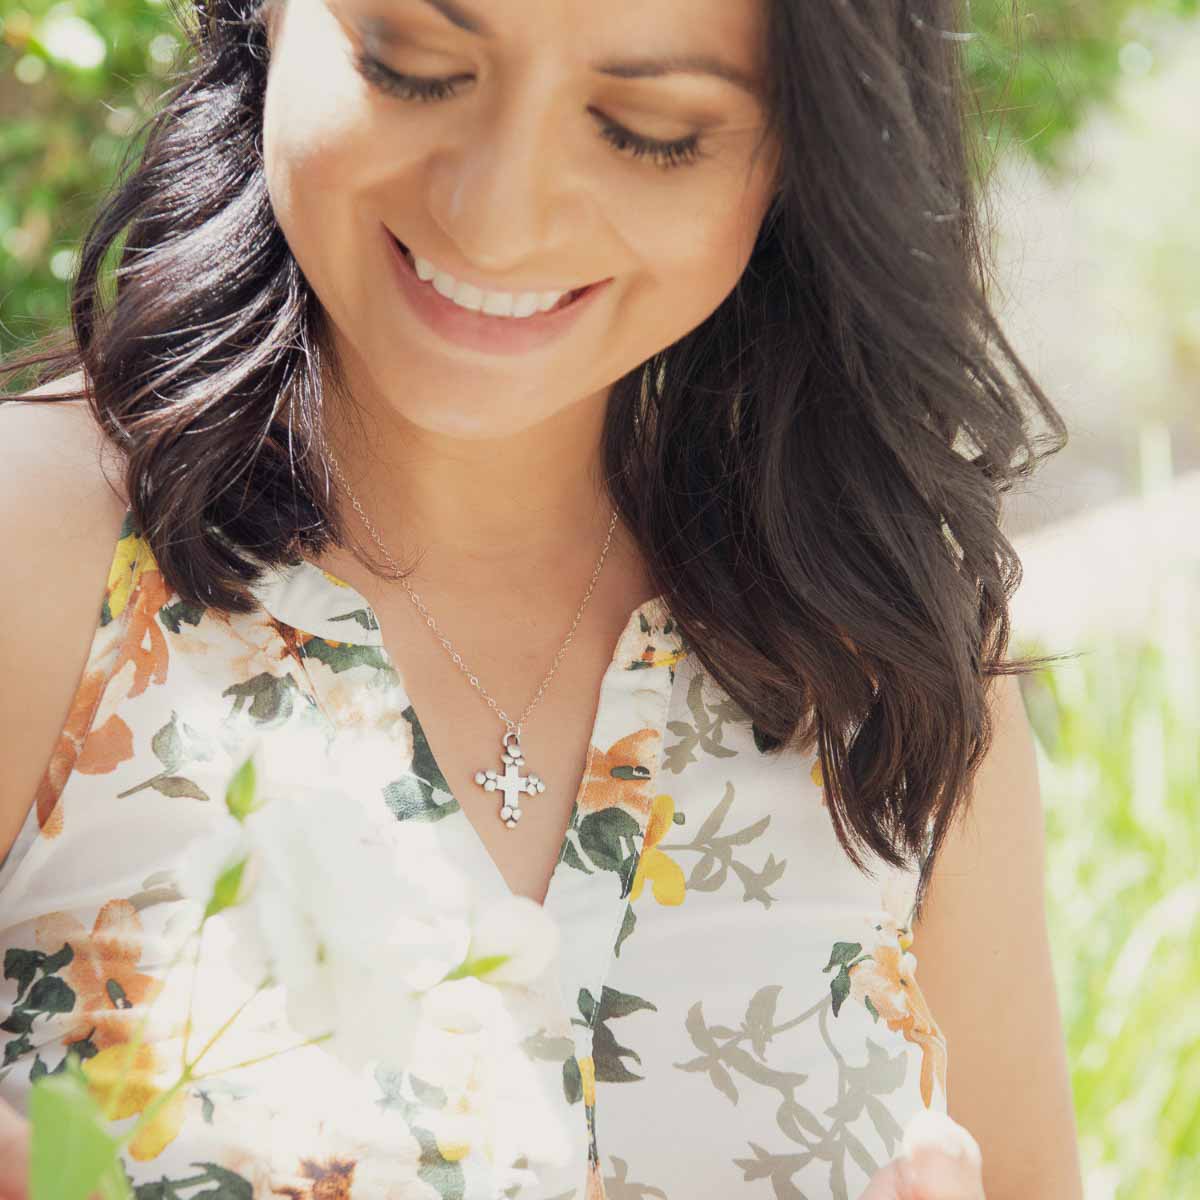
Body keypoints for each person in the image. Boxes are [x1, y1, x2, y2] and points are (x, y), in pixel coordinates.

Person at [0, 0, 1085, 1196]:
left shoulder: (888, 651)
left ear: (803, 149)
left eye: (648, 129)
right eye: (412, 66)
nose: (496, 219)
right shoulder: (39, 556)